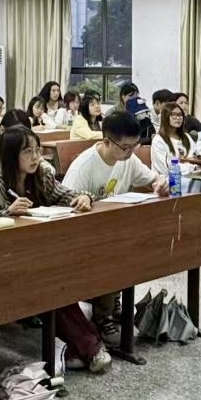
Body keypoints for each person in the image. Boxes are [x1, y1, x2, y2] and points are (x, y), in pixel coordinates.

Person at [0, 126, 110, 373]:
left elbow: (68, 194)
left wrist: (85, 198)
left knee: (55, 282)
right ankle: (90, 346)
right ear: (11, 154)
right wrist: (8, 212)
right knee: (51, 285)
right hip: (1, 263)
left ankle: (82, 347)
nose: (36, 157)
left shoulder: (41, 176)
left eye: (37, 150)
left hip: (37, 258)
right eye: (28, 152)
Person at [62, 113, 167, 348]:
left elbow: (153, 179)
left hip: (114, 232)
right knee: (112, 253)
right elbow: (66, 210)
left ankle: (113, 301)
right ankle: (103, 317)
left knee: (136, 244)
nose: (130, 152)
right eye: (125, 147)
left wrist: (160, 182)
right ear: (107, 142)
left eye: (135, 146)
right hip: (84, 236)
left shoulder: (128, 159)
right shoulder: (84, 167)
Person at [0, 109, 54, 185]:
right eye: (16, 137)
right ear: (2, 130)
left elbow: (49, 170)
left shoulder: (28, 148)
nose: (21, 141)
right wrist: (11, 172)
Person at [150, 102, 198, 180]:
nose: (178, 118)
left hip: (190, 176)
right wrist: (191, 168)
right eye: (174, 114)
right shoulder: (158, 140)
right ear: (166, 117)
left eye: (180, 115)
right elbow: (165, 169)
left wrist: (192, 167)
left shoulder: (186, 136)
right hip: (168, 180)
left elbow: (194, 158)